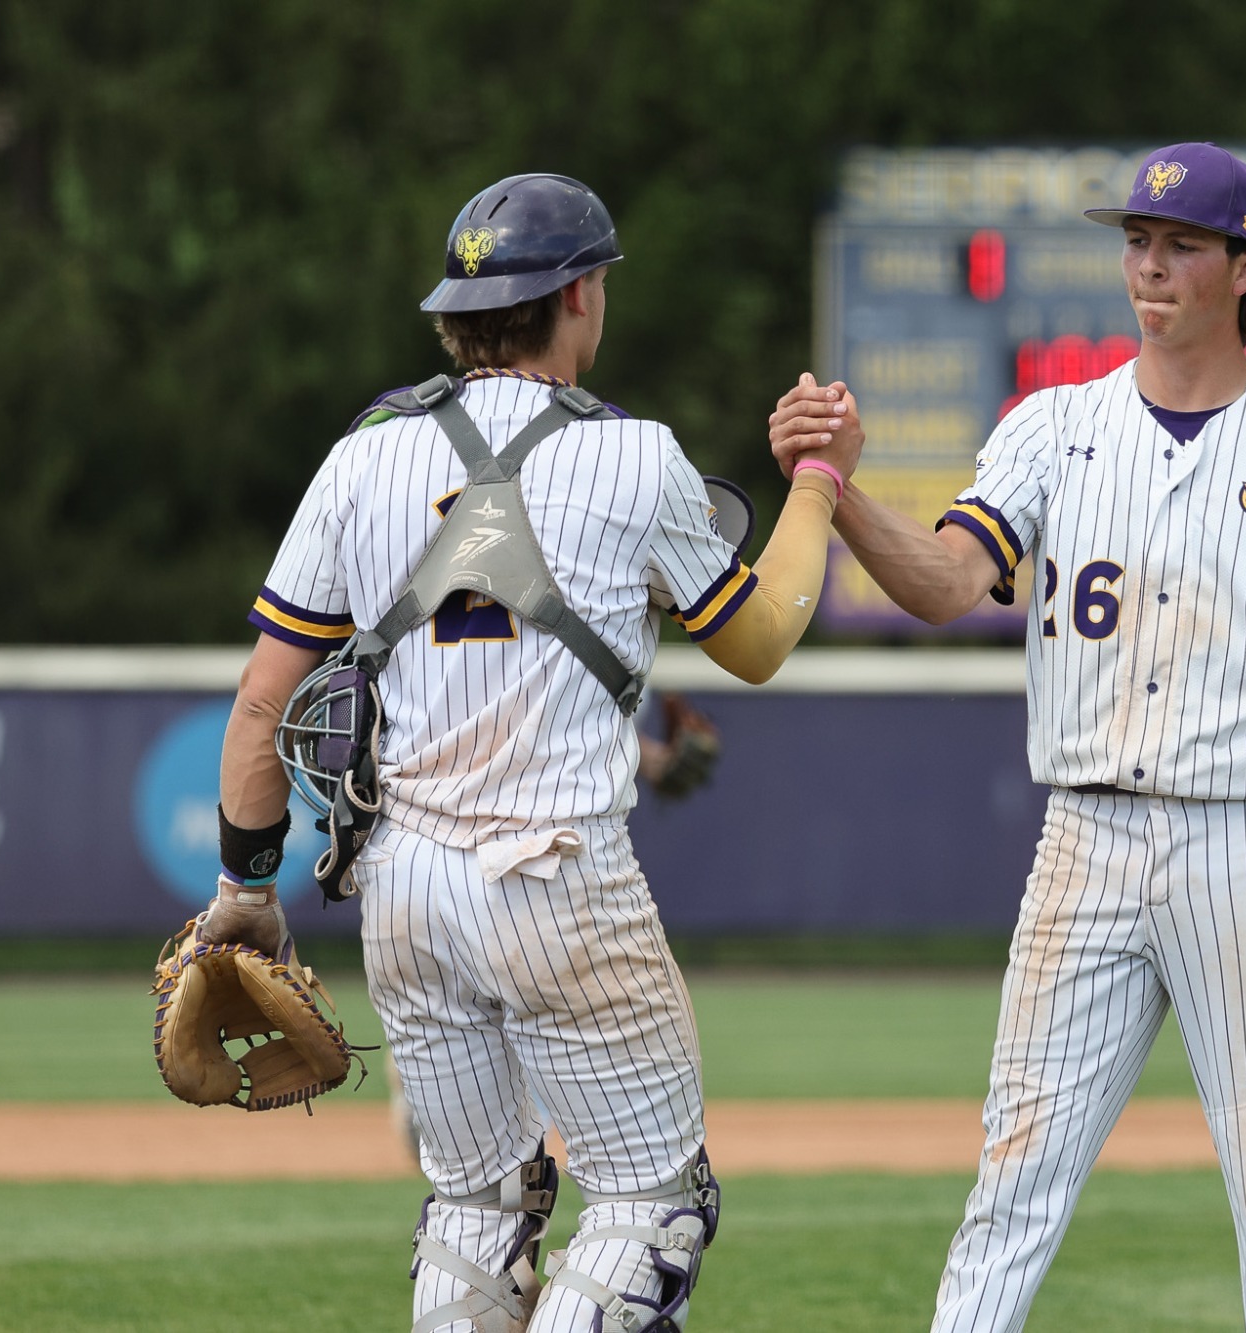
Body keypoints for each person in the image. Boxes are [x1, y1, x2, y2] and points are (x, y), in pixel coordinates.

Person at [771, 142, 1246, 1333]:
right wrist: (834, 486)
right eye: (1135, 241)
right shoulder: (1053, 427)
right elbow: (939, 584)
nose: (1147, 264)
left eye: (1179, 244)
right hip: (1082, 834)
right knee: (1013, 1172)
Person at [200, 172, 857, 1333]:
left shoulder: (363, 455)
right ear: (577, 298)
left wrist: (244, 886)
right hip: (558, 877)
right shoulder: (638, 457)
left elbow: (263, 704)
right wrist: (815, 480)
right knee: (652, 1200)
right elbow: (758, 641)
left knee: (474, 1200)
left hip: (403, 887)